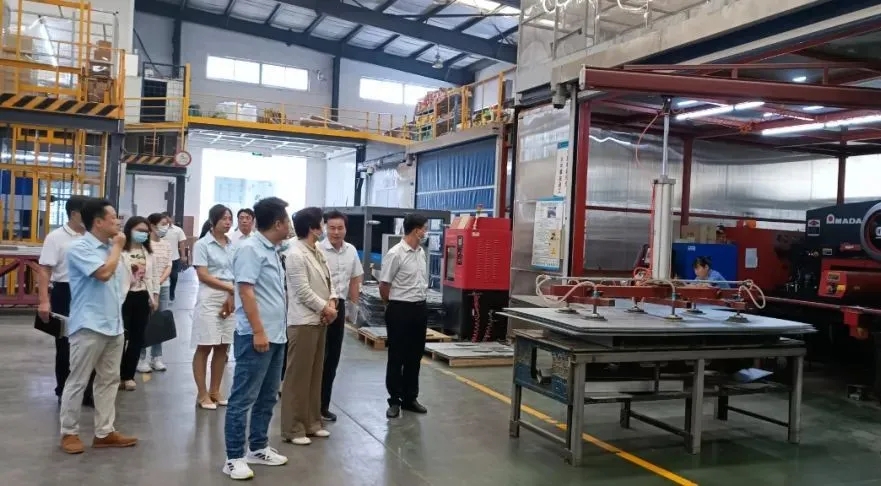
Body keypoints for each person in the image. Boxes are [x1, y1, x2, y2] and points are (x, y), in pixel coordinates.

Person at [60, 198, 137, 454]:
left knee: (109, 380)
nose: (118, 222)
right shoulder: (79, 248)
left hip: (114, 325)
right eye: (113, 217)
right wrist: (118, 247)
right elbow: (103, 274)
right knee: (78, 380)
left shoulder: (111, 249)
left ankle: (104, 432)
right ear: (98, 222)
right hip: (89, 325)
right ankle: (69, 432)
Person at [223, 197, 291, 480]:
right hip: (256, 336)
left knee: (267, 396)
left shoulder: (272, 249)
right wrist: (259, 331)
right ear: (278, 223)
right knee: (243, 398)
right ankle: (234, 457)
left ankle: (258, 447)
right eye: (287, 220)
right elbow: (246, 291)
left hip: (276, 335)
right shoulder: (250, 249)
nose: (290, 225)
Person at [280, 207, 336, 445]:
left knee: (315, 375)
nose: (324, 228)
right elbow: (302, 291)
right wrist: (325, 308)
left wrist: (332, 300)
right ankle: (293, 428)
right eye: (321, 224)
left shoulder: (317, 250)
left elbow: (329, 279)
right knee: (298, 377)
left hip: (320, 320)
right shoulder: (295, 254)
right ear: (313, 228)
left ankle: (312, 422)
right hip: (303, 321)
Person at [37, 195, 95, 406]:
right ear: (74, 214)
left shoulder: (93, 236)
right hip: (65, 292)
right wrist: (44, 301)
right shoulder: (56, 237)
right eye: (88, 213)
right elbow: (45, 270)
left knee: (92, 343)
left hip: (91, 292)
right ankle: (64, 390)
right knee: (65, 345)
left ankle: (88, 391)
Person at [379, 213, 430, 419]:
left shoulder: (421, 253)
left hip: (419, 309)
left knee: (415, 356)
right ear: (416, 230)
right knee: (397, 356)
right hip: (400, 309)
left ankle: (410, 398)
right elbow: (384, 285)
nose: (426, 232)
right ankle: (394, 400)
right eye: (424, 228)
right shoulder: (396, 254)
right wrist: (392, 306)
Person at [318, 210, 363, 422]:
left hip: (340, 306)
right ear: (325, 228)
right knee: (317, 358)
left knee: (332, 358)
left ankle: (323, 406)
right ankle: (310, 405)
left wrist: (353, 309)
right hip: (319, 307)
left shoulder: (351, 250)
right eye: (332, 228)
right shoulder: (317, 249)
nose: (336, 232)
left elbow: (355, 280)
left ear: (345, 229)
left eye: (340, 228)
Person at [191, 204, 236, 410]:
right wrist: (229, 288)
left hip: (230, 296)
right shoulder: (202, 244)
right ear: (213, 220)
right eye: (224, 218)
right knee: (205, 345)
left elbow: (236, 272)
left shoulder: (232, 244)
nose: (228, 222)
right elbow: (203, 275)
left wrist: (232, 293)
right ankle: (202, 394)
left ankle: (215, 391)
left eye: (229, 219)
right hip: (210, 296)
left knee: (223, 346)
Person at [119, 216, 159, 391]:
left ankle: (128, 376)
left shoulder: (148, 253)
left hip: (142, 296)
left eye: (145, 231)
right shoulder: (120, 251)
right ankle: (116, 374)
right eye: (139, 230)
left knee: (137, 338)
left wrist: (155, 297)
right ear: (129, 230)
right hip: (123, 297)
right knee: (120, 338)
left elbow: (154, 277)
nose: (143, 234)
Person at [137, 213, 174, 373]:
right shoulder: (144, 244)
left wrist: (159, 281)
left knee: (159, 321)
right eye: (162, 224)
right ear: (152, 226)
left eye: (167, 225)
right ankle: (141, 357)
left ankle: (156, 357)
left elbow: (169, 265)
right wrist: (151, 284)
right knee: (144, 321)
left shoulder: (166, 244)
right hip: (145, 286)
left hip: (163, 286)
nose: (165, 227)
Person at [160, 213, 187, 301]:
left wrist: (183, 256)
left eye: (167, 218)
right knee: (162, 277)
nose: (166, 220)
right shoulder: (160, 229)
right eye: (164, 219)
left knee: (174, 277)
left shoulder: (178, 230)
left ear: (170, 218)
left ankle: (171, 293)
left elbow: (182, 243)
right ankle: (161, 294)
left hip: (174, 257)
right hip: (161, 257)